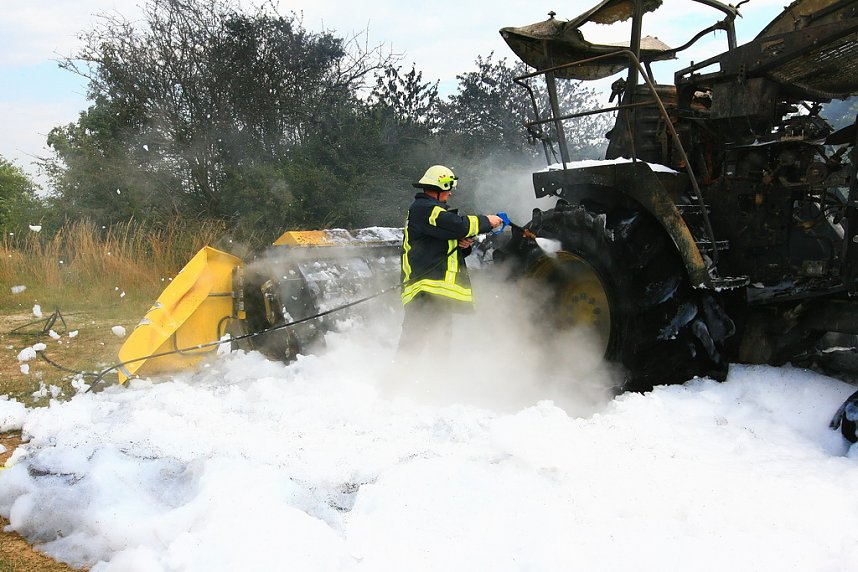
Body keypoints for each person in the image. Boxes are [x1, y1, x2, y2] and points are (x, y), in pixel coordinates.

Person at [398, 165, 503, 356]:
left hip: (434, 294)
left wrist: (463, 245)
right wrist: (487, 221)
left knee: (436, 348)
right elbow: (458, 225)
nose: (450, 194)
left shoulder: (429, 213)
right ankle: (399, 384)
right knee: (413, 347)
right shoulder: (424, 209)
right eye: (448, 189)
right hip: (426, 291)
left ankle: (431, 384)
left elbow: (444, 244)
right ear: (438, 188)